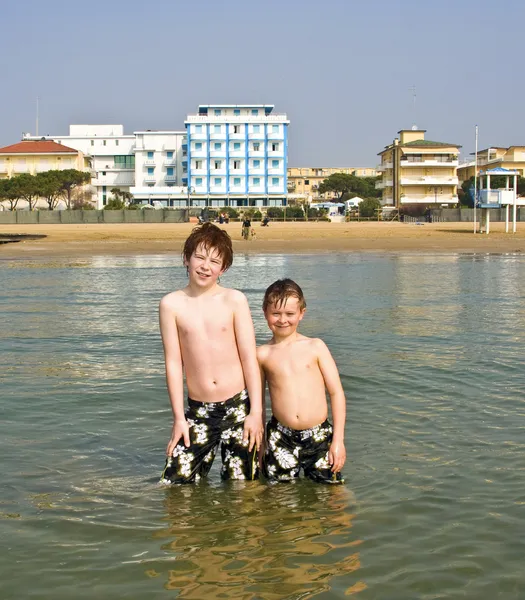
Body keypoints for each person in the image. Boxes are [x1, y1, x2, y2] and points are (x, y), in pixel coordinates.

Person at [159, 223, 263, 484]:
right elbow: (173, 363)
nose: (206, 266)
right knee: (175, 484)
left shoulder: (235, 300)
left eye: (214, 261)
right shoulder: (171, 304)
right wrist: (179, 419)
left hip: (238, 408)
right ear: (187, 258)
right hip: (198, 412)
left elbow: (249, 358)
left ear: (223, 268)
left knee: (243, 488)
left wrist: (256, 413)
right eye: (200, 257)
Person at [257, 279, 346, 484]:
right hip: (280, 437)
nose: (282, 320)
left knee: (333, 494)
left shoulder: (315, 346)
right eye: (276, 314)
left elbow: (336, 393)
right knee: (281, 498)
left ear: (301, 313)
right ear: (265, 313)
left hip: (319, 436)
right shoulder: (261, 354)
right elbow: (258, 401)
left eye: (290, 314)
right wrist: (262, 442)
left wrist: (338, 441)